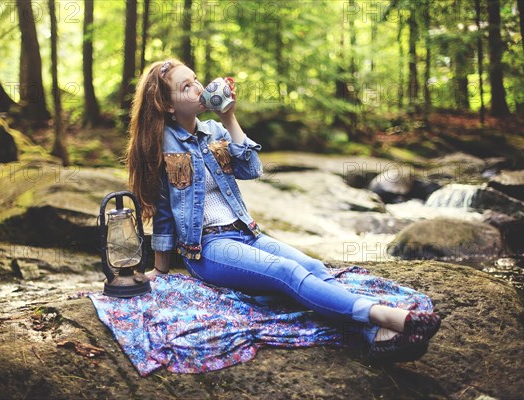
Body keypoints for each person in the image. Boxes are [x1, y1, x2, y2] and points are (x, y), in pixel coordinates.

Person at [125, 59, 441, 363]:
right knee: (285, 273)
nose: (197, 88)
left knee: (314, 267)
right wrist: (161, 269)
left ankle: (376, 337)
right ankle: (386, 316)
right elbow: (164, 212)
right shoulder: (163, 144)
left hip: (246, 233)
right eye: (185, 87)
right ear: (168, 106)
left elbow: (251, 169)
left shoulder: (214, 131)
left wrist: (229, 119)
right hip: (208, 248)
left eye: (195, 80)